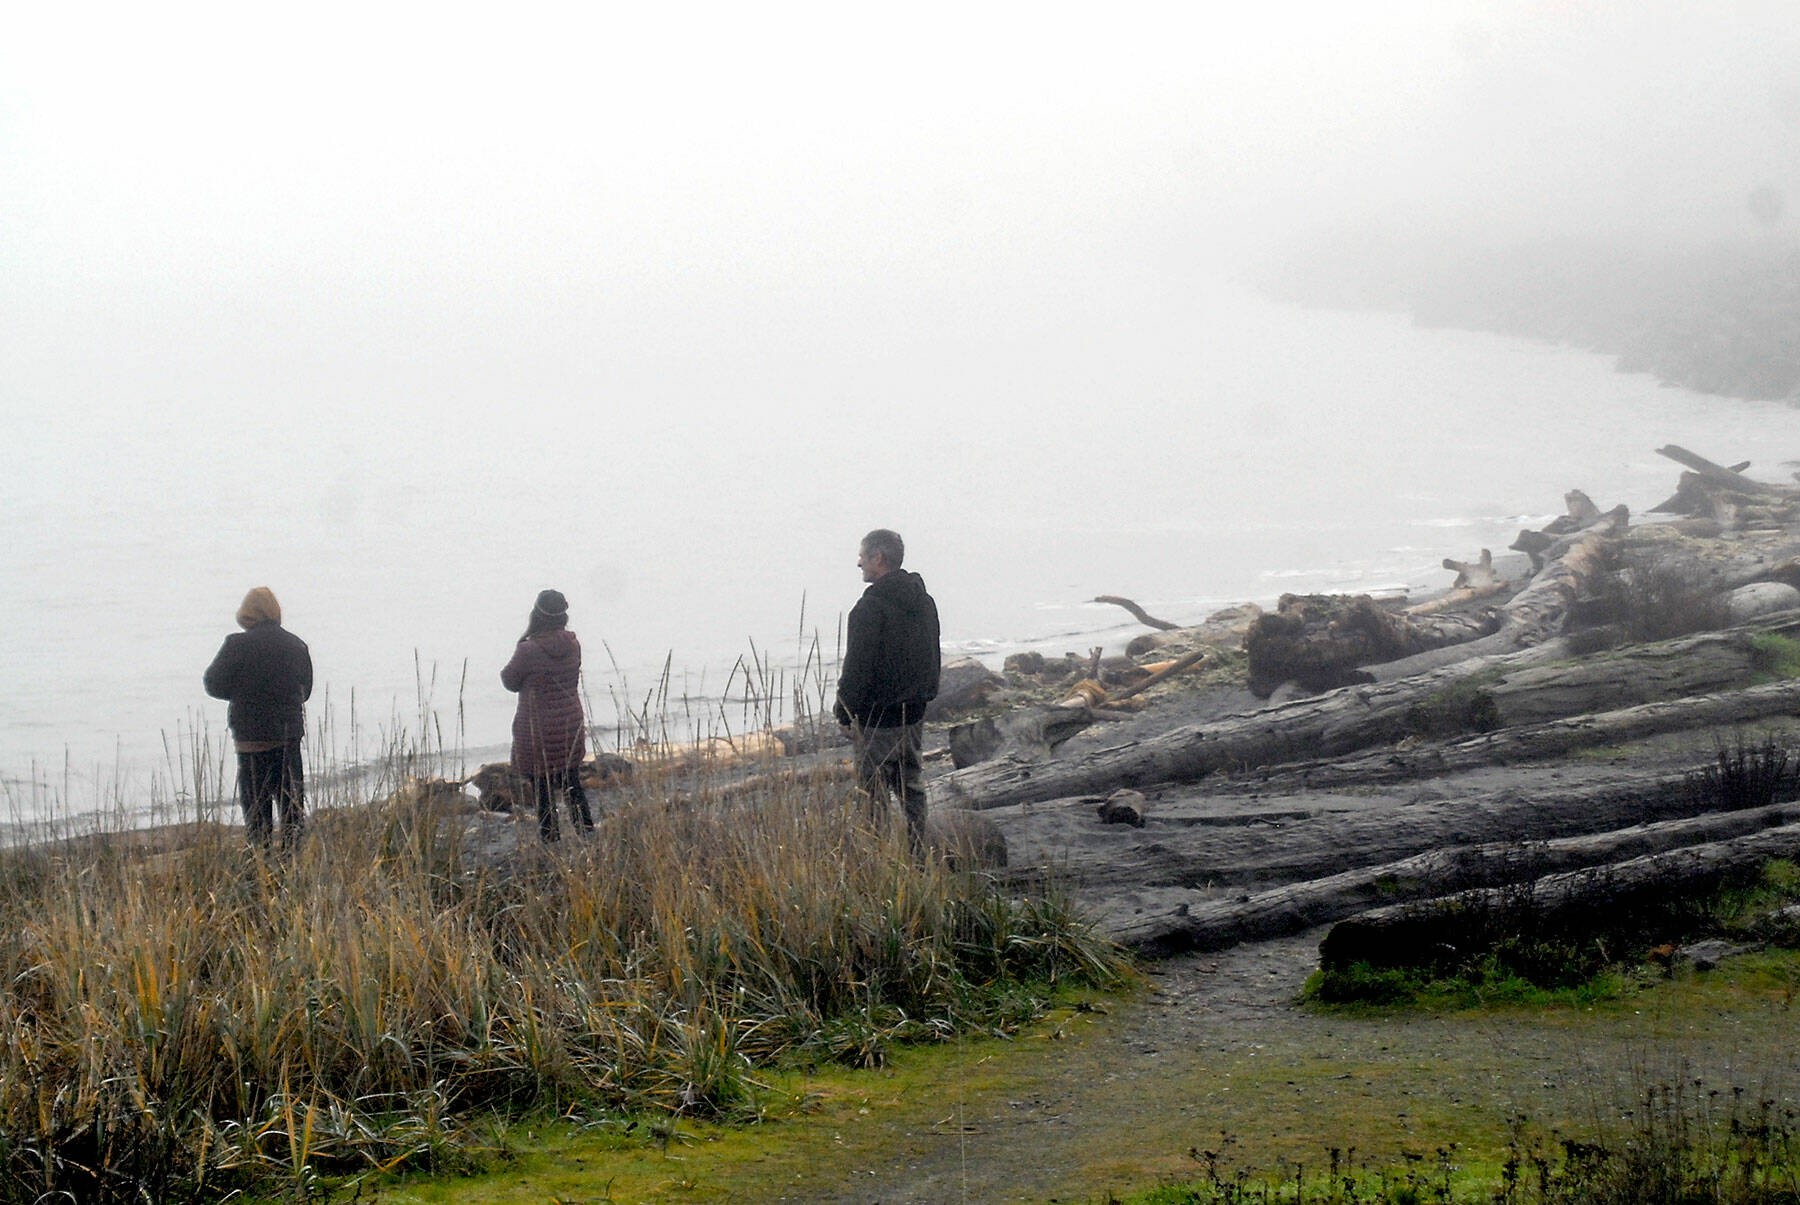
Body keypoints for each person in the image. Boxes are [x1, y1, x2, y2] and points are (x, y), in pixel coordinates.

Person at [834, 529, 940, 851]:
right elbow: (932, 655)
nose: (859, 563)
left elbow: (857, 668)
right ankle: (920, 856)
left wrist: (844, 711)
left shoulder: (869, 609)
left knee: (872, 793)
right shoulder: (923, 601)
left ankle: (878, 860)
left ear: (878, 559)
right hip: (913, 714)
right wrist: (925, 696)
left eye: (863, 556)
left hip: (878, 719)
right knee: (911, 788)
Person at [203, 587, 313, 848]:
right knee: (292, 811)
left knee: (256, 814)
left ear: (246, 613)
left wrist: (241, 692)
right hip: (287, 740)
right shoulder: (296, 645)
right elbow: (305, 691)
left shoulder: (236, 645)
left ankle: (261, 870)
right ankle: (292, 866)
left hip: (251, 741)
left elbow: (212, 684)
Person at [501, 589, 594, 842]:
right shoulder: (573, 645)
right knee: (571, 784)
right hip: (569, 724)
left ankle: (551, 842)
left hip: (537, 729)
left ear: (536, 615)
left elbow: (509, 680)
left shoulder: (528, 650)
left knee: (542, 789)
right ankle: (587, 836)